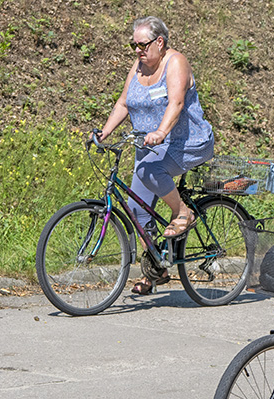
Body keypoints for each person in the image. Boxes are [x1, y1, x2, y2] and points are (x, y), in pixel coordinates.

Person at [96, 16, 214, 294]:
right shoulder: (138, 66)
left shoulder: (175, 63)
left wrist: (160, 132)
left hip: (186, 141)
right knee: (137, 210)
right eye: (133, 45)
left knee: (150, 172)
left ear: (159, 42)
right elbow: (124, 102)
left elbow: (177, 102)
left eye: (142, 44)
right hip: (149, 147)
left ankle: (182, 212)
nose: (137, 50)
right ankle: (155, 270)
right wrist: (104, 133)